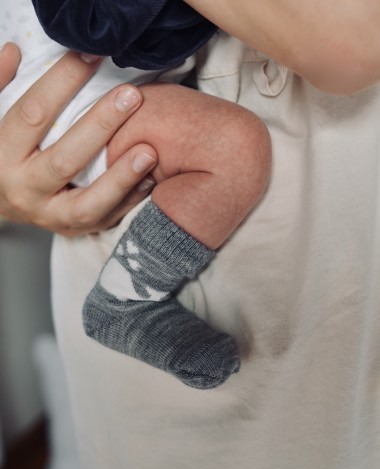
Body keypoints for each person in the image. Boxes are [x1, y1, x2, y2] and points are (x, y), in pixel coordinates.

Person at [1, 1, 380, 469]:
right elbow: (344, 45)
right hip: (81, 93)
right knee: (232, 148)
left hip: (112, 87)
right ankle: (126, 299)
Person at [0, 1, 270, 389]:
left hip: (79, 87)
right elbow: (96, 28)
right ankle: (126, 299)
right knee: (233, 146)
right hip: (72, 105)